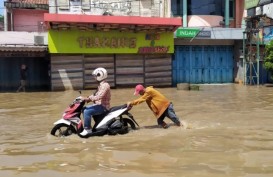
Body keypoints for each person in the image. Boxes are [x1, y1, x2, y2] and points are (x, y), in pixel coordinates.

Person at [80, 67, 111, 136]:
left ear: (100, 75)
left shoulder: (105, 85)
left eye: (95, 76)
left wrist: (88, 99)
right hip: (99, 105)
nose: (94, 78)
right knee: (84, 108)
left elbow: (99, 97)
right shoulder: (101, 85)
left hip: (103, 107)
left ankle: (87, 129)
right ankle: (90, 126)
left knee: (87, 111)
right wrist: (86, 98)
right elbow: (95, 94)